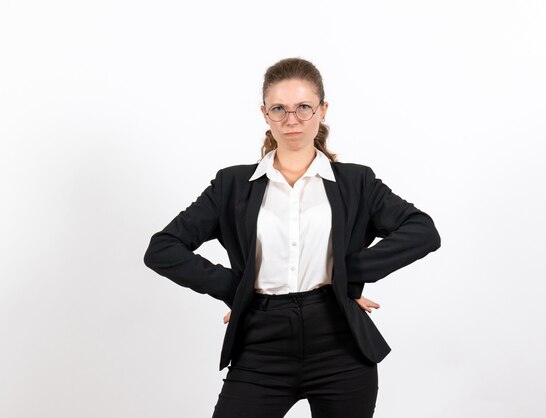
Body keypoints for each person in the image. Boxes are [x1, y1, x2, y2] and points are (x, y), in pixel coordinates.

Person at [143, 57, 441, 418]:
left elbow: (422, 231)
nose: (292, 120)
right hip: (261, 344)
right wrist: (232, 287)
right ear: (264, 114)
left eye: (303, 107)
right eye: (279, 109)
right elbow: (162, 249)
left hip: (340, 345)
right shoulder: (232, 185)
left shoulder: (355, 182)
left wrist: (347, 273)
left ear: (323, 110)